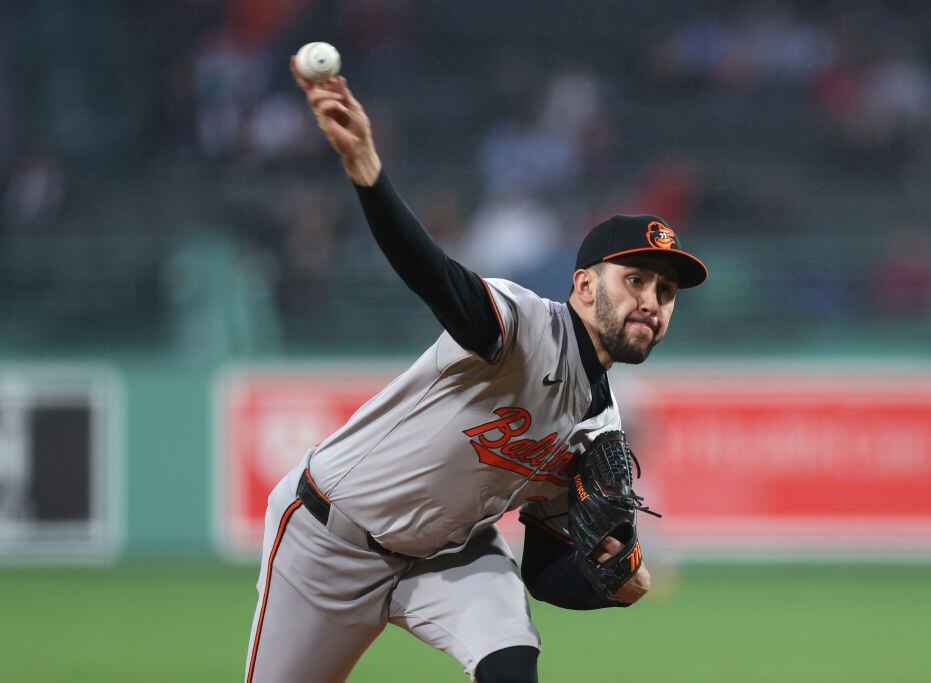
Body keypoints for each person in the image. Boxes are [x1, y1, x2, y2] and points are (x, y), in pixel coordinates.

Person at [243, 55, 709, 683]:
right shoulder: (519, 327)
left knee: (512, 663)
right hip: (331, 540)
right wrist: (368, 174)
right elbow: (432, 273)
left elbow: (545, 572)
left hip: (451, 556)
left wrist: (607, 579)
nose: (651, 301)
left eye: (666, 292)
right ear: (582, 285)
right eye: (635, 280)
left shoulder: (598, 429)